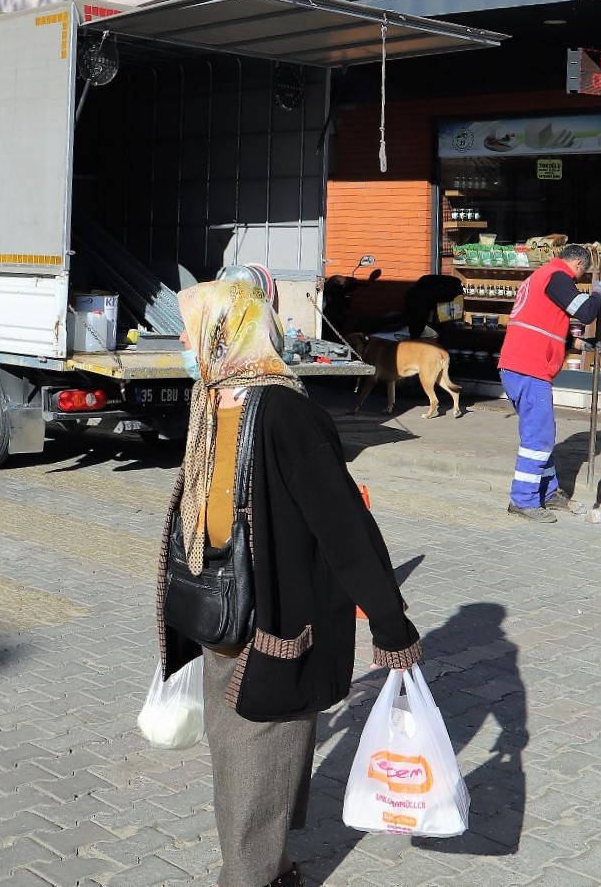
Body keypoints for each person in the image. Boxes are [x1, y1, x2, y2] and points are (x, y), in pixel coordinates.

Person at [158, 279, 421, 887]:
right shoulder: (214, 398)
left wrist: (390, 621)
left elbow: (343, 525)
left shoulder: (282, 412)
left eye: (192, 326)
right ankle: (267, 870)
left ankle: (257, 875)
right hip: (225, 615)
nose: (182, 338)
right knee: (242, 761)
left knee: (257, 763)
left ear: (228, 331)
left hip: (272, 623)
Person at [496, 243, 601, 522]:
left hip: (518, 365)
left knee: (539, 434)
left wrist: (583, 344)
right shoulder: (557, 277)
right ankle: (523, 500)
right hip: (529, 368)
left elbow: (548, 324)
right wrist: (597, 293)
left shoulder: (541, 278)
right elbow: (585, 312)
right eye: (583, 274)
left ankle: (547, 491)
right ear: (579, 265)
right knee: (539, 438)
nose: (579, 280)